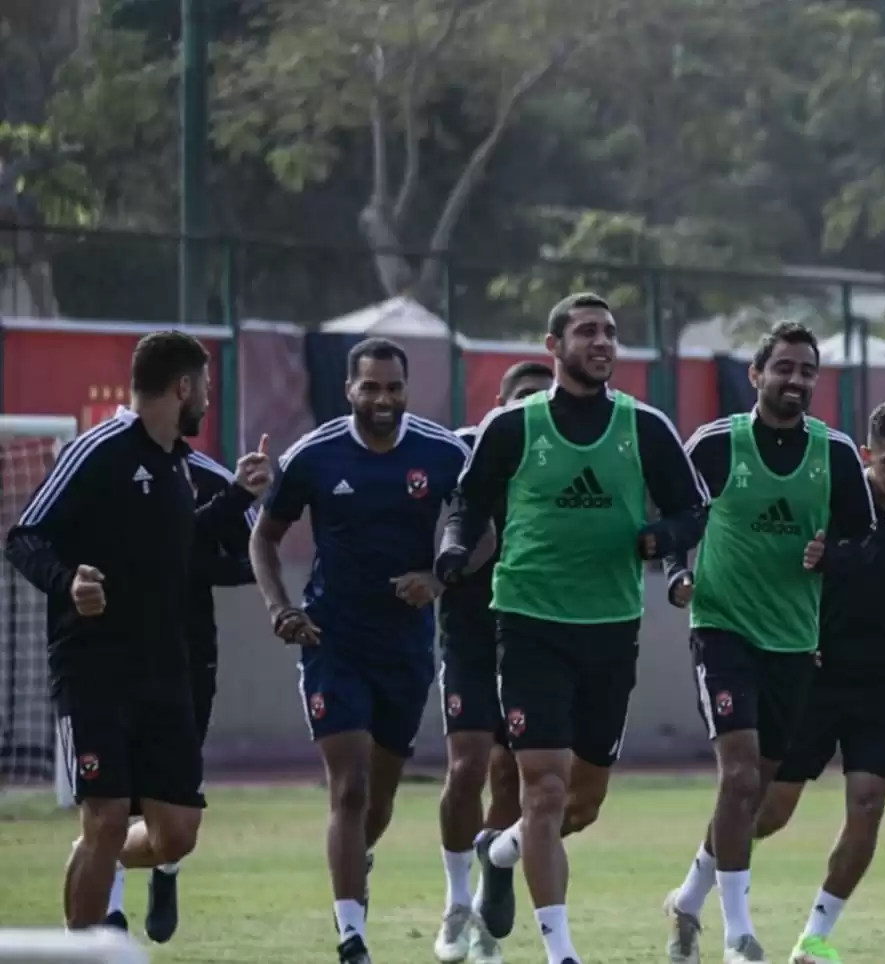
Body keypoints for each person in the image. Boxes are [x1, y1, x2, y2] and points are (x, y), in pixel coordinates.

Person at [435, 294, 708, 964]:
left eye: (610, 332)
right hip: (529, 621)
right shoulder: (513, 426)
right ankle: (561, 951)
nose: (603, 341)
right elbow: (468, 501)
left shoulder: (645, 427)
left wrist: (662, 537)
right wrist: (454, 546)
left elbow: (693, 508)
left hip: (611, 628)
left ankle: (500, 853)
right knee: (545, 789)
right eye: (587, 331)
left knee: (581, 803)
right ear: (553, 346)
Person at [4, 332, 264, 931]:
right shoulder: (97, 450)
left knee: (177, 833)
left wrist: (238, 497)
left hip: (165, 671)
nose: (207, 401)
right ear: (183, 387)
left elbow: (183, 542)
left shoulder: (177, 463)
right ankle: (82, 943)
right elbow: (23, 537)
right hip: (93, 669)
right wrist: (69, 582)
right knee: (108, 815)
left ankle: (93, 855)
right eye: (205, 388)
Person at [661, 321, 877, 964]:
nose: (796, 380)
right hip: (722, 627)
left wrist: (831, 555)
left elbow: (863, 543)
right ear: (756, 375)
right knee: (738, 774)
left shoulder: (835, 453)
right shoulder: (717, 444)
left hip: (793, 640)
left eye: (807, 370)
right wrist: (676, 573)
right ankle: (738, 933)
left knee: (757, 789)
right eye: (784, 368)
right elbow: (675, 516)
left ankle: (687, 899)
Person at [250, 337, 472, 964]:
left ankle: (359, 860)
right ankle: (352, 936)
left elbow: (484, 529)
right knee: (347, 788)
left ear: (407, 390)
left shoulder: (443, 452)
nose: (382, 399)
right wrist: (280, 608)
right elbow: (263, 539)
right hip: (332, 642)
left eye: (393, 387)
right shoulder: (313, 455)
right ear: (349, 389)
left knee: (378, 800)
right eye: (370, 387)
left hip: (405, 648)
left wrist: (439, 578)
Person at [750, 399, 885, 964]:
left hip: (880, 685)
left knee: (868, 805)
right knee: (769, 813)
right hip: (812, 677)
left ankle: (813, 938)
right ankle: (704, 880)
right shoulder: (826, 506)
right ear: (867, 456)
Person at [104, 435, 267, 942]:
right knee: (111, 791)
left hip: (189, 656)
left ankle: (166, 865)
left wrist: (183, 568)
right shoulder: (104, 464)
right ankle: (109, 905)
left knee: (174, 799)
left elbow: (255, 559)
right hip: (116, 653)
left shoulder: (214, 479)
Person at [431, 360, 552, 963]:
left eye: (542, 398)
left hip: (533, 634)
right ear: (499, 404)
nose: (532, 408)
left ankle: (484, 904)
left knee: (511, 775)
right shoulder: (462, 450)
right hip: (471, 634)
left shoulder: (561, 454)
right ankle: (455, 902)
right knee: (467, 766)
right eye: (521, 396)